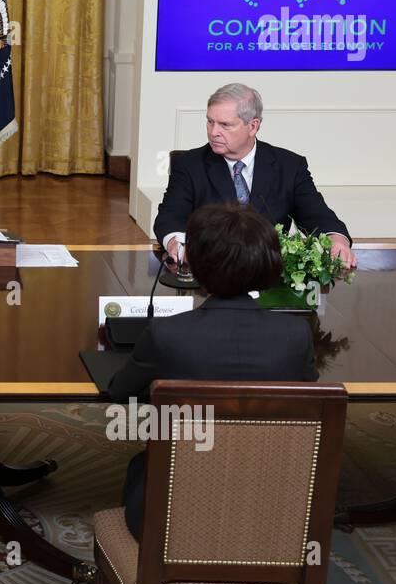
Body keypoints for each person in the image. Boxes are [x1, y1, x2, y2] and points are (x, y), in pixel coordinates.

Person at [109, 203, 317, 541]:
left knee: (138, 467)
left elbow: (120, 392)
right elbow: (308, 402)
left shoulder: (167, 335)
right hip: (273, 511)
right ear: (269, 264)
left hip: (170, 516)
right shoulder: (296, 335)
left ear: (198, 267)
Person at [153, 83, 356, 269]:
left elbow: (319, 216)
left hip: (270, 278)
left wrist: (337, 242)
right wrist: (177, 244)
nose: (213, 132)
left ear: (253, 126)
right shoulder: (189, 165)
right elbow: (169, 218)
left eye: (225, 125)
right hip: (211, 277)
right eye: (210, 122)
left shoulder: (289, 166)